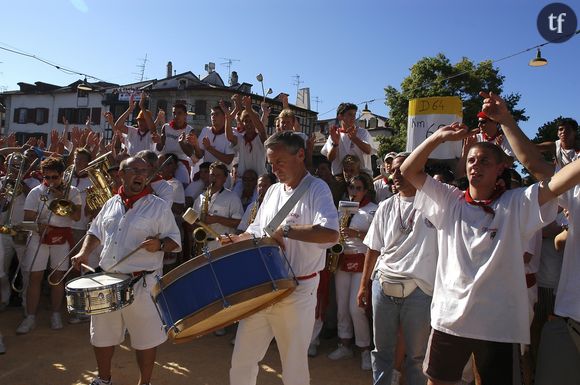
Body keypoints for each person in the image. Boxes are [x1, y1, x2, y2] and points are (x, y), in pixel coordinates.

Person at [401, 101, 580, 385]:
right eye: (471, 160)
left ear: (502, 167)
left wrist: (507, 121)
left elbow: (558, 181)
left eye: (485, 160)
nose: (475, 166)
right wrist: (438, 137)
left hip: (498, 324)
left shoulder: (517, 202)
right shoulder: (450, 200)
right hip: (450, 319)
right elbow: (410, 171)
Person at [224, 131, 339, 385]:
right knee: (242, 359)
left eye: (280, 162)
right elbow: (257, 230)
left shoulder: (317, 189)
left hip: (298, 291)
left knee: (294, 367)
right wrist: (237, 239)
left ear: (300, 155)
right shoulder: (274, 190)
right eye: (271, 163)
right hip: (263, 286)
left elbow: (331, 234)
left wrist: (285, 231)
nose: (274, 169)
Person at [71, 156, 181, 385]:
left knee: (146, 339)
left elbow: (175, 241)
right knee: (101, 337)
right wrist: (83, 253)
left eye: (144, 170)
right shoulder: (111, 203)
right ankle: (104, 380)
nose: (141, 174)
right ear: (121, 175)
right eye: (135, 170)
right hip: (106, 280)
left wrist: (160, 245)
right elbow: (95, 231)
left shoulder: (158, 206)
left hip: (142, 284)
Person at [358, 153, 438, 385]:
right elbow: (373, 248)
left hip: (420, 291)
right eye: (392, 170)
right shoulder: (385, 206)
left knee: (417, 356)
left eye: (402, 169)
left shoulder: (435, 204)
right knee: (381, 352)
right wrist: (364, 286)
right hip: (382, 287)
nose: (395, 175)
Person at [16, 157, 82, 334]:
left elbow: (76, 217)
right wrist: (39, 224)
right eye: (47, 177)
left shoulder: (73, 191)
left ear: (62, 175)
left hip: (61, 237)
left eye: (55, 177)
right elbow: (28, 216)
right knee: (35, 278)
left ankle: (55, 314)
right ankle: (30, 317)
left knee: (57, 279)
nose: (51, 181)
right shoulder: (36, 192)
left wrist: (63, 196)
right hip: (39, 237)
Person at [327, 174, 377, 371]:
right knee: (342, 306)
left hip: (362, 261)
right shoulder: (343, 208)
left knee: (357, 308)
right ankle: (344, 344)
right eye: (351, 188)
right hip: (342, 261)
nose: (354, 192)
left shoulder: (374, 210)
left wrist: (356, 234)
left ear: (366, 190)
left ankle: (365, 349)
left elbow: (378, 240)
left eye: (358, 188)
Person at [192, 162, 243, 251]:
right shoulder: (200, 197)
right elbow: (193, 222)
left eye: (218, 175)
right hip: (203, 245)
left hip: (222, 246)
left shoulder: (233, 197)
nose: (214, 178)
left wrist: (216, 219)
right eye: (212, 175)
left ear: (225, 178)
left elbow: (238, 223)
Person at [321, 103, 374, 177]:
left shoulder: (362, 132)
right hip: (340, 177)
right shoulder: (334, 135)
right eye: (350, 114)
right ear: (340, 117)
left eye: (354, 115)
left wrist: (355, 139)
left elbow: (368, 150)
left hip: (362, 176)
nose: (353, 118)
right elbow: (330, 158)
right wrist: (335, 144)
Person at [155, 103, 194, 185]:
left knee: (182, 185)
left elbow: (190, 153)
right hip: (165, 161)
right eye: (174, 113)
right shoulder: (166, 127)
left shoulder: (190, 130)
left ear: (185, 115)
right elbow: (159, 148)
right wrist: (159, 142)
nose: (176, 116)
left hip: (181, 162)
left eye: (179, 113)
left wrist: (182, 144)